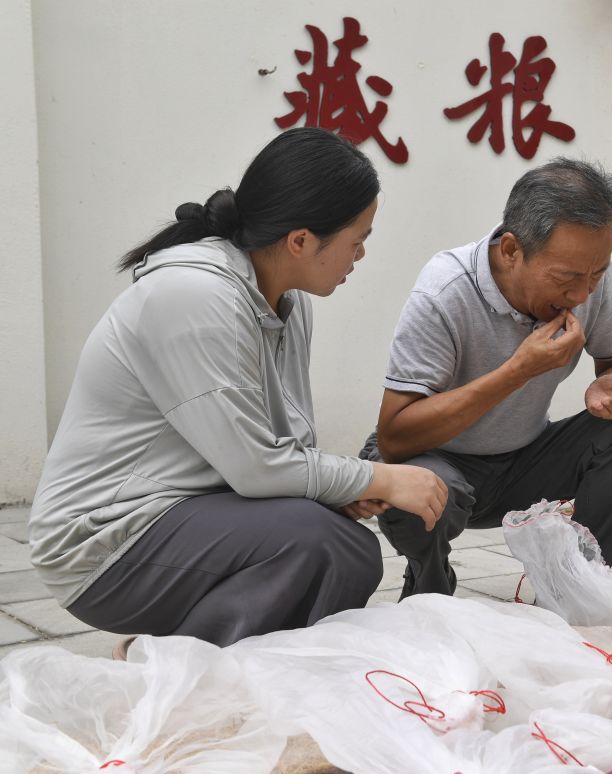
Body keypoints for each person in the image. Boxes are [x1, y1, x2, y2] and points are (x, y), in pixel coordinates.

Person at [27, 128, 446, 651]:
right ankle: (170, 665)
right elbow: (257, 467)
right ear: (300, 241)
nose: (360, 255)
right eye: (356, 240)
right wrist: (380, 476)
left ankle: (202, 657)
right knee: (325, 546)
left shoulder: (287, 301)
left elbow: (284, 446)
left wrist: (341, 493)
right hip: (102, 541)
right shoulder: (194, 296)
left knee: (346, 546)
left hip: (189, 509)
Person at [360, 158, 612, 598]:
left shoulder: (587, 273)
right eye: (566, 278)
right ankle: (428, 583)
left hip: (524, 460)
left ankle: (601, 588)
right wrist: (518, 370)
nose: (581, 293)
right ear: (511, 250)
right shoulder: (445, 291)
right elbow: (395, 437)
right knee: (413, 484)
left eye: (596, 275)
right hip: (438, 462)